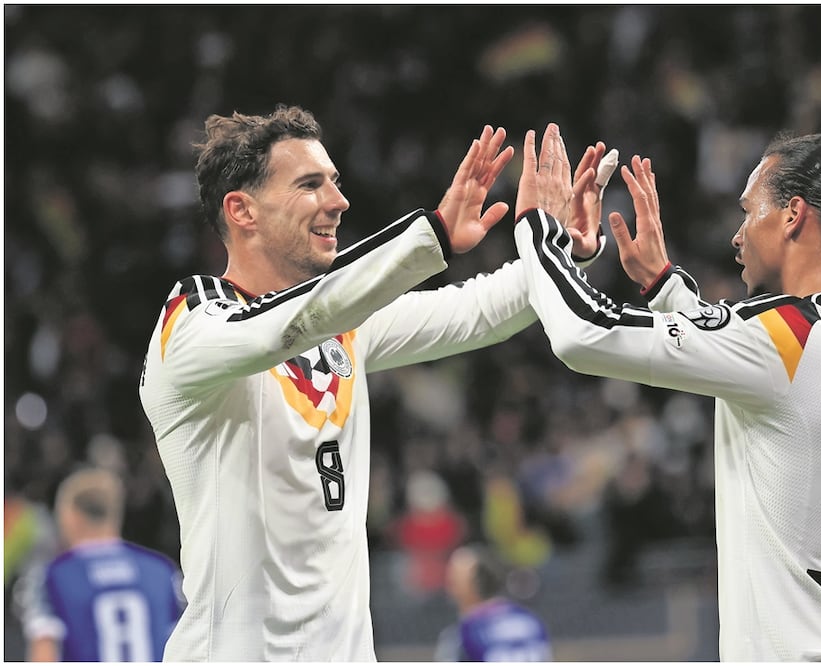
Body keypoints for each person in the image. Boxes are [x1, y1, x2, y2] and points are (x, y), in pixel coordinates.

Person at [138, 106, 612, 660]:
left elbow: (478, 310)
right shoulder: (191, 324)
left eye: (335, 183)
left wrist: (559, 249)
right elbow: (279, 327)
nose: (337, 203)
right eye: (310, 185)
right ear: (242, 210)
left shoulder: (344, 327)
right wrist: (430, 234)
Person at [513, 128, 821, 660]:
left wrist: (537, 228)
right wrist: (666, 286)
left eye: (748, 210)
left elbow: (582, 334)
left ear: (792, 215)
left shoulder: (792, 335)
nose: (737, 235)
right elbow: (770, 379)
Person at [17, 467, 183, 661]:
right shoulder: (162, 571)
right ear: (115, 513)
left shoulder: (51, 576)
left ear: (71, 516)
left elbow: (44, 651)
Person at [434, 544, 552, 662]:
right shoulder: (531, 621)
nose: (448, 585)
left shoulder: (463, 635)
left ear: (474, 585)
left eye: (453, 579)